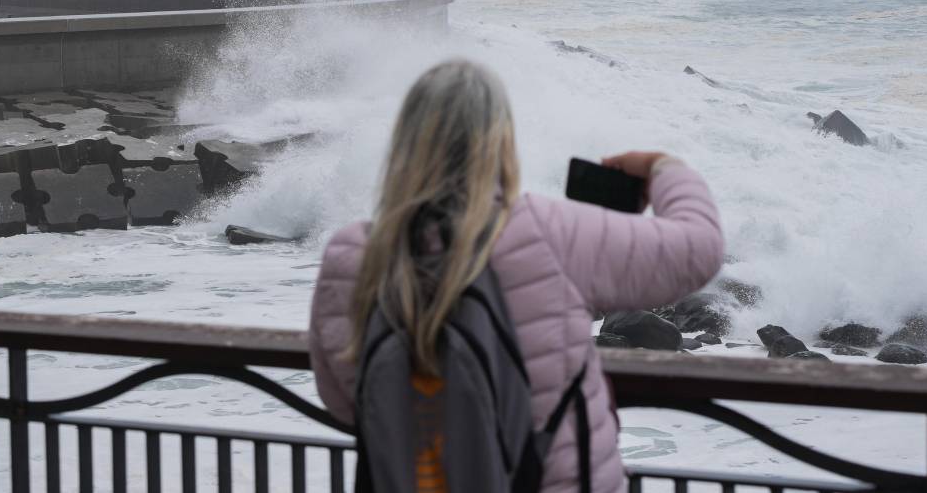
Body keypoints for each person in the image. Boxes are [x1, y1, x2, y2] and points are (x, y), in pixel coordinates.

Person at [308, 59, 725, 492]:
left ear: (404, 144)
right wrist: (663, 168)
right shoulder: (546, 231)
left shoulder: (352, 254)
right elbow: (700, 249)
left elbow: (343, 400)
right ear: (501, 144)